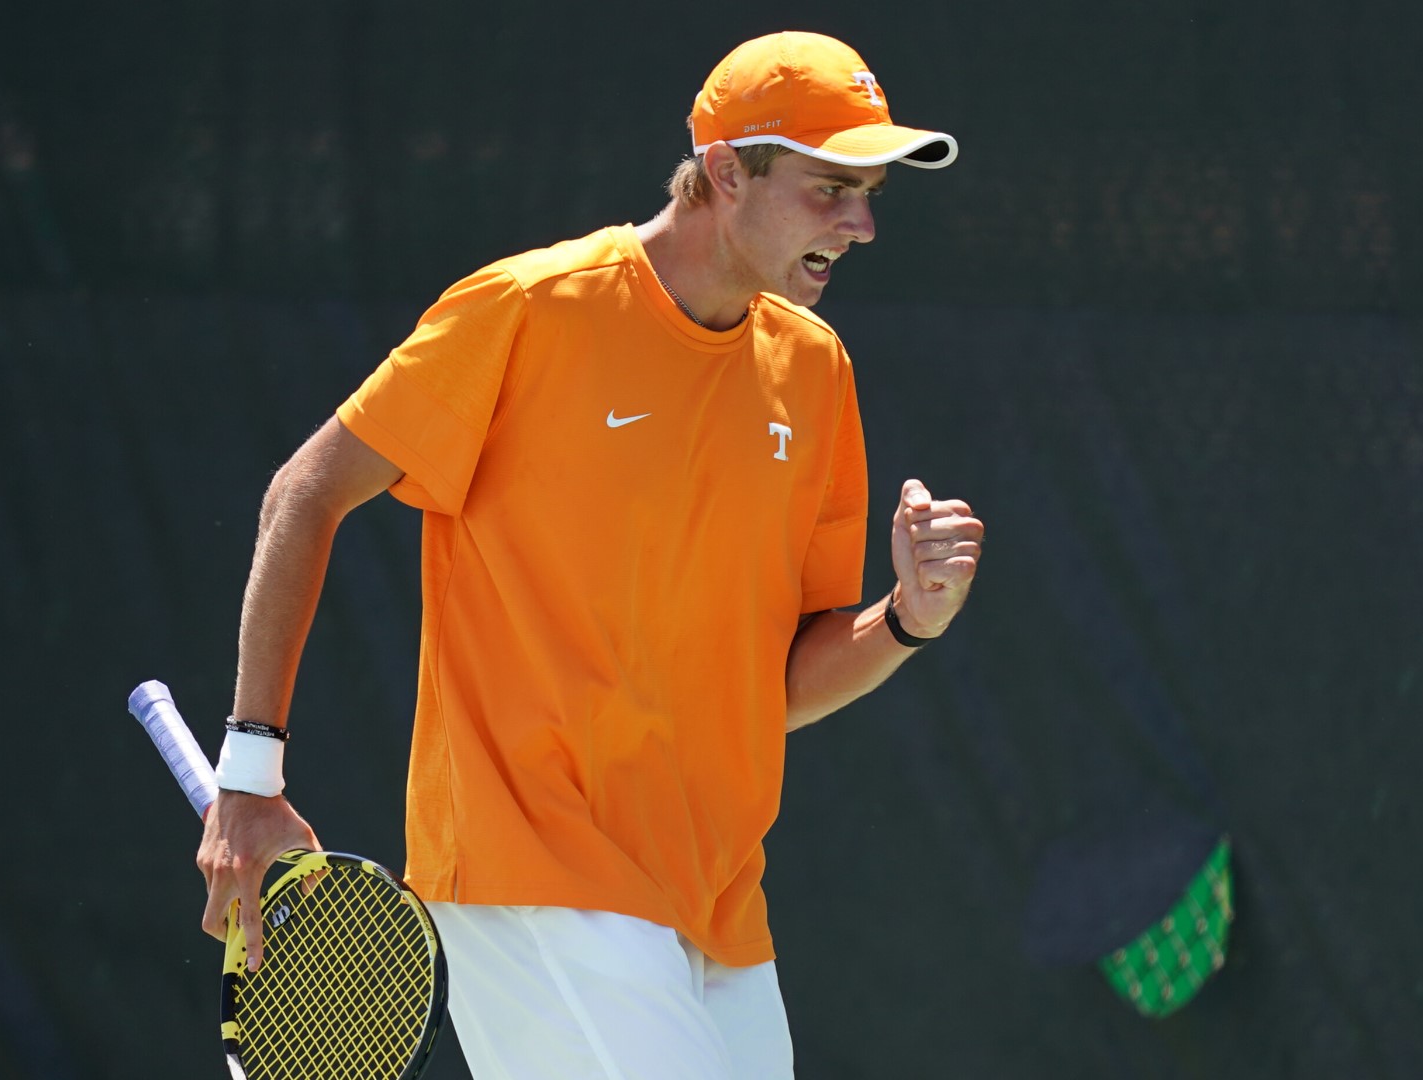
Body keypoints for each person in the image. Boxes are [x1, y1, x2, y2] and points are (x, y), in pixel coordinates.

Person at [193, 31, 983, 1079]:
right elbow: (305, 493)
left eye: (870, 192)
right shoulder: (528, 310)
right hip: (533, 870)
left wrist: (907, 619)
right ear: (723, 173)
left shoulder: (815, 370)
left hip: (714, 897)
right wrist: (250, 776)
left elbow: (776, 682)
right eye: (832, 188)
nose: (863, 223)